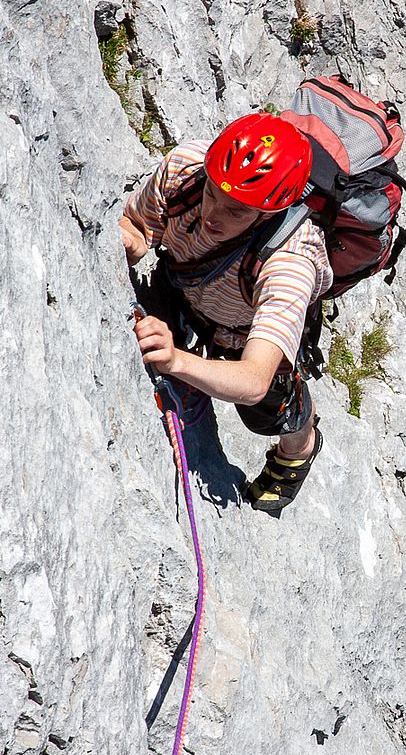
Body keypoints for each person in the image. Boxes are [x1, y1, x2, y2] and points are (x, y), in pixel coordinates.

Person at [119, 113, 331, 514]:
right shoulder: (186, 170)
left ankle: (301, 447)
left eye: (236, 210)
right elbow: (137, 225)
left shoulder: (290, 263)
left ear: (268, 213)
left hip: (242, 335)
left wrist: (177, 360)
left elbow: (252, 380)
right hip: (185, 286)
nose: (213, 214)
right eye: (213, 193)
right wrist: (127, 242)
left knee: (267, 414)